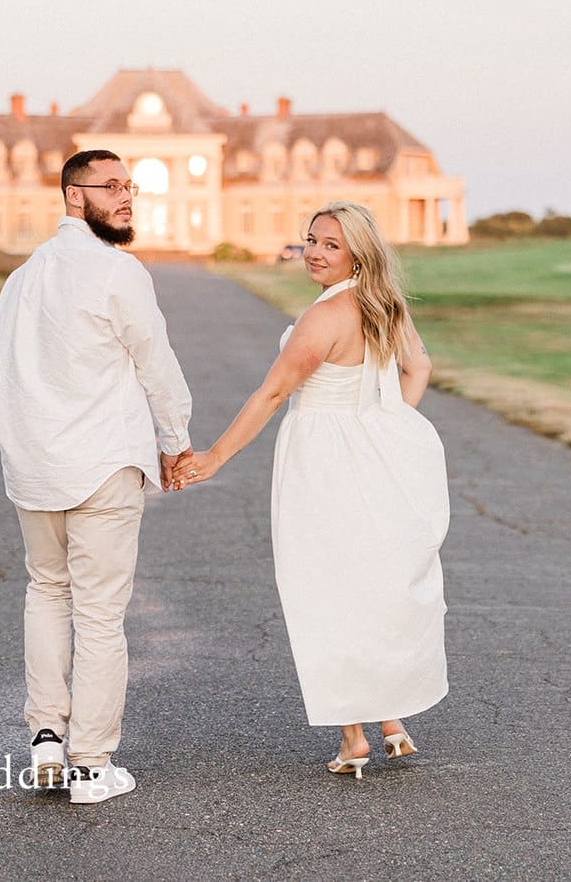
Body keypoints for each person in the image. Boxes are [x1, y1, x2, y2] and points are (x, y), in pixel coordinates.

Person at [174, 201, 449, 779]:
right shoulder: (384, 304)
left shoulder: (324, 318)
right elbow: (417, 369)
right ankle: (392, 720)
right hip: (370, 455)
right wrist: (386, 424)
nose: (314, 253)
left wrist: (216, 456)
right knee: (367, 583)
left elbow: (272, 395)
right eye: (311, 241)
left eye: (330, 244)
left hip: (322, 462)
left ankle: (355, 741)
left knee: (323, 589)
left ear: (357, 253)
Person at [0, 149, 192, 804]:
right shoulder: (117, 270)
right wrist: (176, 441)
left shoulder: (20, 279)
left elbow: (15, 380)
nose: (127, 197)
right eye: (112, 187)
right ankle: (89, 764)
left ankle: (46, 736)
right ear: (74, 196)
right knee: (101, 615)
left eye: (129, 186)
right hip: (101, 460)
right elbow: (155, 362)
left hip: (35, 465)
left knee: (46, 593)